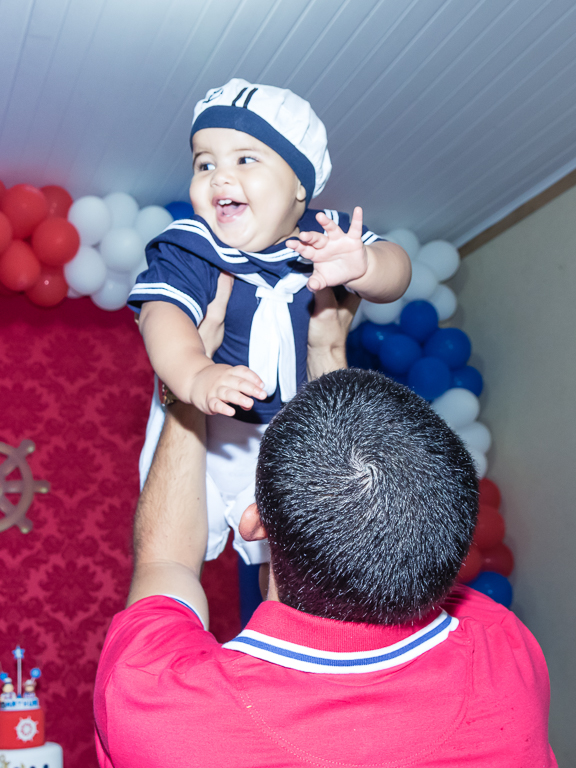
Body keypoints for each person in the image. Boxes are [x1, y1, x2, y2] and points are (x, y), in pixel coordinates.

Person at [94, 289, 556, 767]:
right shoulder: (504, 651)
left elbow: (165, 564)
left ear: (253, 522)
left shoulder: (164, 712)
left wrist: (183, 387)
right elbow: (366, 480)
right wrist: (328, 351)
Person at [129, 78, 411, 568]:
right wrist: (195, 372)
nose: (219, 177)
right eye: (204, 163)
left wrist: (365, 263)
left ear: (300, 184)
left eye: (245, 158)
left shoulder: (326, 238)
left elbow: (398, 269)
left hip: (290, 428)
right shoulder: (194, 246)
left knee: (298, 565)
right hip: (209, 421)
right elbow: (162, 315)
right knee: (171, 560)